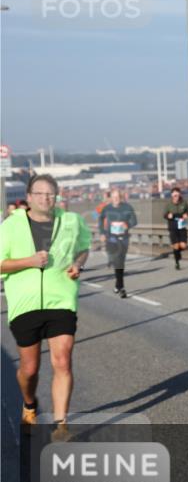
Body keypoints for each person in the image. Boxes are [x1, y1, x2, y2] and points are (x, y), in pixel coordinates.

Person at [0, 174, 90, 440]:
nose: (45, 198)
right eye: (39, 193)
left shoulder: (71, 221)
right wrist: (28, 261)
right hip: (24, 304)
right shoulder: (10, 226)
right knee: (29, 369)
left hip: (61, 299)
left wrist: (79, 264)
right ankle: (29, 404)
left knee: (63, 361)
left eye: (50, 193)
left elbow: (83, 247)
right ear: (29, 198)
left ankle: (61, 426)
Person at [99, 189, 138, 298]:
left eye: (117, 197)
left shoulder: (127, 207)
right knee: (116, 261)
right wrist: (102, 232)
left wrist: (127, 224)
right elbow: (101, 220)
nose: (116, 199)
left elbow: (134, 221)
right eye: (113, 197)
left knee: (121, 262)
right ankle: (122, 287)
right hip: (111, 239)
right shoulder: (107, 208)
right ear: (111, 198)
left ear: (120, 197)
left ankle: (118, 284)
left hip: (123, 238)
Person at [163, 187, 188, 270]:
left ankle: (178, 253)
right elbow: (164, 215)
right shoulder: (168, 205)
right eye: (174, 195)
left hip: (182, 226)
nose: (176, 197)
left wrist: (186, 214)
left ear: (180, 195)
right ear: (172, 196)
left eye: (177, 195)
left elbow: (187, 211)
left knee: (183, 245)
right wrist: (168, 216)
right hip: (173, 226)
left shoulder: (184, 203)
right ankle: (177, 262)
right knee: (176, 246)